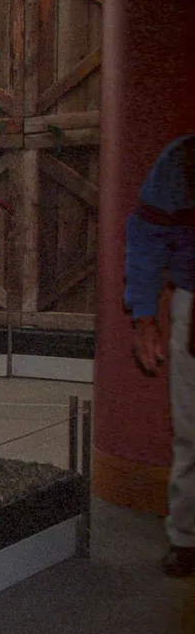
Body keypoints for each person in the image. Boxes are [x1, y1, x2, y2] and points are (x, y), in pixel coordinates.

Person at [125, 133, 195, 576]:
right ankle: (187, 537)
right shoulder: (183, 160)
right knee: (192, 429)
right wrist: (146, 319)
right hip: (194, 299)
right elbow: (149, 239)